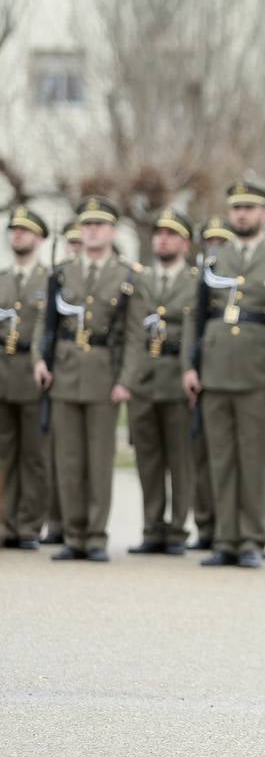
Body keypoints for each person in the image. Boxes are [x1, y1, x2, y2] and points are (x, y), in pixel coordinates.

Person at [182, 181, 265, 569]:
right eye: (237, 207)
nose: (242, 214)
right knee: (219, 458)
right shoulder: (214, 259)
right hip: (216, 371)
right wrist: (189, 365)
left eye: (250, 208)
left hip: (257, 372)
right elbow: (196, 318)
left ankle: (251, 539)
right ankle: (225, 539)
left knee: (253, 459)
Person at [32, 196, 144, 562]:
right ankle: (73, 533)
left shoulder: (128, 276)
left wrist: (125, 379)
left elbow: (134, 336)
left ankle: (95, 535)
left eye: (98, 225)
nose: (91, 230)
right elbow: (44, 324)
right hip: (65, 371)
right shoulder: (63, 272)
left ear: (111, 231)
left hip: (103, 374)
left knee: (98, 459)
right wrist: (38, 359)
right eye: (86, 224)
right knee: (68, 459)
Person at [122, 207, 198, 556]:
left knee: (180, 459)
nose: (162, 239)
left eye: (170, 234)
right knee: (148, 460)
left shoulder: (195, 281)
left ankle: (178, 528)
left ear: (184, 242)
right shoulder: (142, 280)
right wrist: (129, 379)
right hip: (145, 381)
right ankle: (152, 527)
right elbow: (134, 333)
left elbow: (193, 333)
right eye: (158, 234)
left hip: (176, 379)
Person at [1, 206, 51, 551]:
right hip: (3, 372)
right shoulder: (2, 279)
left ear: (40, 238)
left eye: (25, 230)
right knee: (3, 453)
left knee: (33, 455)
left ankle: (29, 524)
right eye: (13, 230)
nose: (17, 235)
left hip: (33, 375)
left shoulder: (50, 280)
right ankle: (4, 523)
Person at [186, 216, 236, 552]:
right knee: (201, 456)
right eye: (210, 242)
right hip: (203, 374)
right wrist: (190, 367)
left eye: (221, 242)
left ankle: (226, 526)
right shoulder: (202, 277)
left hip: (227, 373)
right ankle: (205, 523)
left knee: (227, 455)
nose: (214, 248)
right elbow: (195, 325)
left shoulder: (229, 278)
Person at [41, 220, 83, 546]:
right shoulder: (56, 277)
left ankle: (76, 524)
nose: (75, 249)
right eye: (71, 243)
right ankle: (55, 520)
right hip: (55, 375)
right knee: (54, 454)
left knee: (78, 456)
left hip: (79, 374)